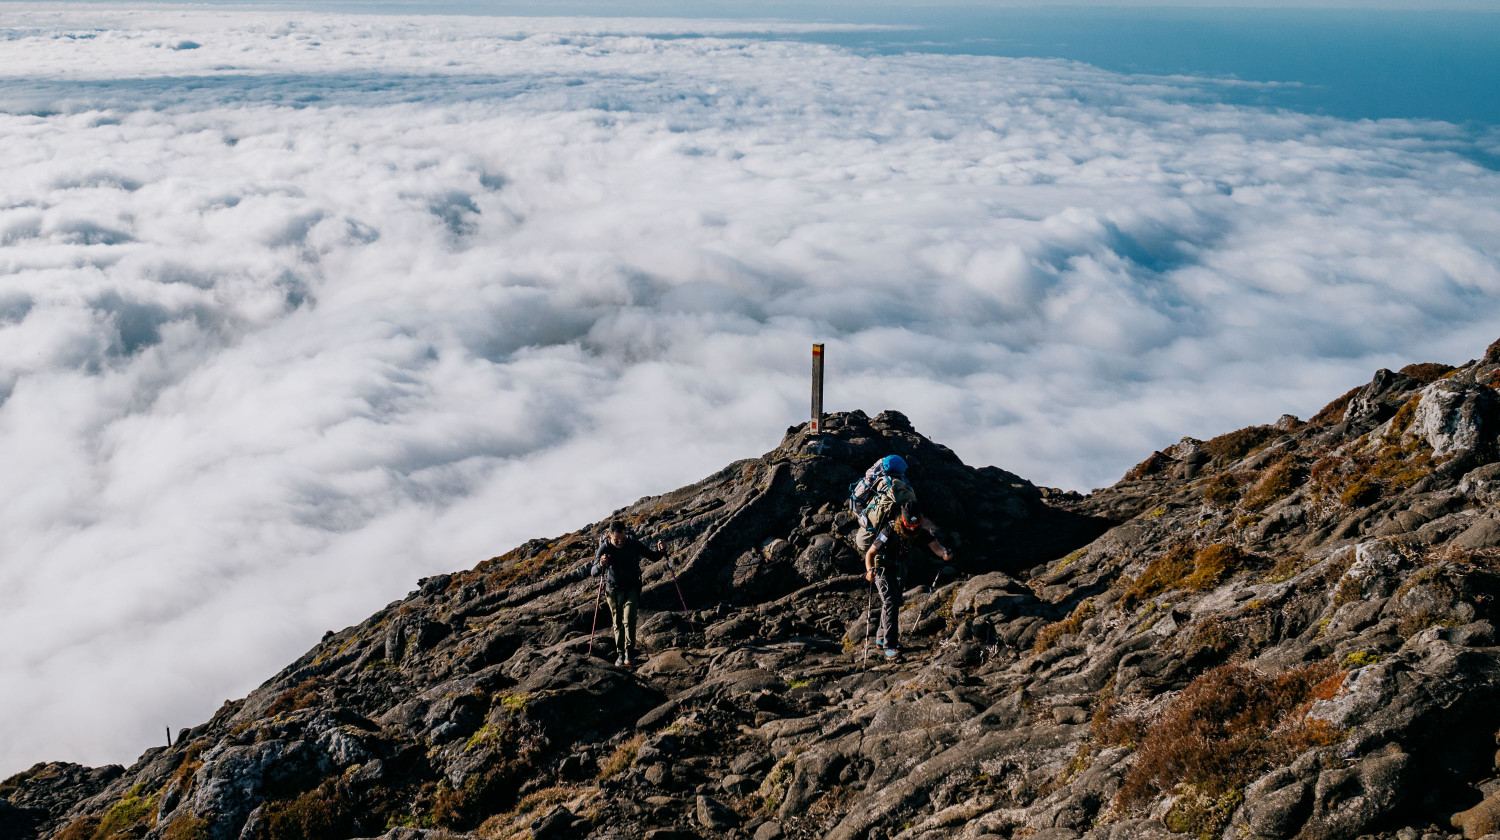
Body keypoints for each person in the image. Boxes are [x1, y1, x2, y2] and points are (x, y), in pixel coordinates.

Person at [863, 502, 953, 659]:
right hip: (882, 568)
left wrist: (945, 553)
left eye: (916, 524)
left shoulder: (922, 530)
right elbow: (870, 553)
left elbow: (936, 547)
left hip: (899, 569)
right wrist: (869, 570)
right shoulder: (889, 529)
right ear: (902, 521)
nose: (912, 528)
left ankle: (880, 638)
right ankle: (889, 645)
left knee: (893, 601)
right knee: (890, 601)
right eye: (908, 524)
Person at [591, 520, 665, 666]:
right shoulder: (605, 548)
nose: (620, 542)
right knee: (618, 623)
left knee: (630, 619)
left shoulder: (633, 543)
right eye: (617, 540)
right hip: (613, 590)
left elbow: (653, 556)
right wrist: (601, 564)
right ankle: (620, 654)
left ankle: (629, 653)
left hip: (632, 588)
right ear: (610, 536)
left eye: (622, 539)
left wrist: (661, 551)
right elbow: (593, 572)